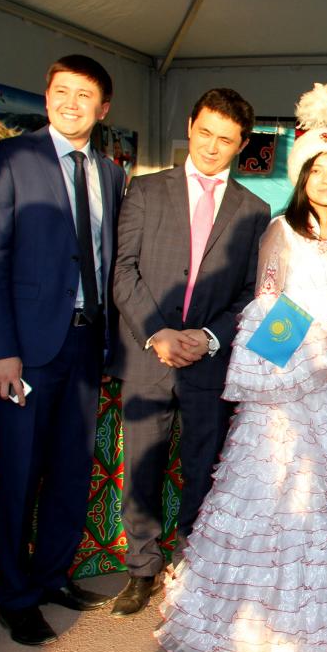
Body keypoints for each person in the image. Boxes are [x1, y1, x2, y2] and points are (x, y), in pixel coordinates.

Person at [155, 84, 327, 652]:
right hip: (292, 388)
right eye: (317, 170)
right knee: (280, 498)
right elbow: (265, 313)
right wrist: (316, 348)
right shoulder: (281, 230)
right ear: (302, 177)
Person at [0, 55, 125, 646]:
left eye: (84, 95)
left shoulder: (110, 173)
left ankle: (54, 575)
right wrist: (0, 349)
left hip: (87, 343)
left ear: (103, 108)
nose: (71, 103)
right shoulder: (10, 158)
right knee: (19, 472)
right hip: (27, 350)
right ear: (46, 97)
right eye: (61, 91)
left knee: (70, 468)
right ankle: (15, 597)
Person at [109, 88, 270, 617]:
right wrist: (157, 331)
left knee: (203, 465)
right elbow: (123, 270)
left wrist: (209, 337)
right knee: (143, 465)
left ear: (241, 145)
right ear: (190, 126)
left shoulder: (254, 210)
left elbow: (251, 292)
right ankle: (142, 568)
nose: (212, 146)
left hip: (210, 360)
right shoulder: (145, 190)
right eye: (205, 133)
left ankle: (191, 565)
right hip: (148, 355)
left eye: (225, 139)